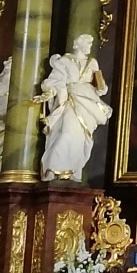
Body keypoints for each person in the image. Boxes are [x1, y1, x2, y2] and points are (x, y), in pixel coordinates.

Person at [37, 33, 112, 181]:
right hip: (70, 99)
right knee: (66, 133)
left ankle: (72, 170)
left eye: (90, 44)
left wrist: (102, 88)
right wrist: (50, 92)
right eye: (87, 43)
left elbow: (100, 86)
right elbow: (54, 81)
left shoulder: (93, 62)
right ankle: (52, 168)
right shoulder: (64, 61)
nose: (89, 47)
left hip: (89, 102)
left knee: (80, 138)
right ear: (77, 44)